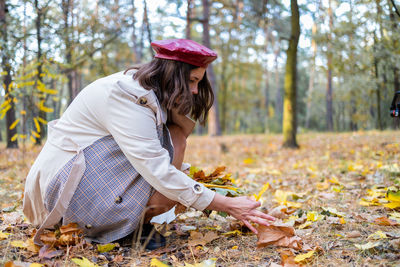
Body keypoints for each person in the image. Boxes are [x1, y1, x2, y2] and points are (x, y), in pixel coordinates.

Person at [23, 39, 275, 247]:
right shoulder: (125, 96)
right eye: (191, 81)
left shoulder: (145, 93)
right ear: (172, 74)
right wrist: (226, 204)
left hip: (81, 178)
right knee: (171, 154)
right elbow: (157, 169)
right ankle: (121, 228)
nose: (196, 91)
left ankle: (132, 221)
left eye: (198, 82)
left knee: (174, 138)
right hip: (61, 197)